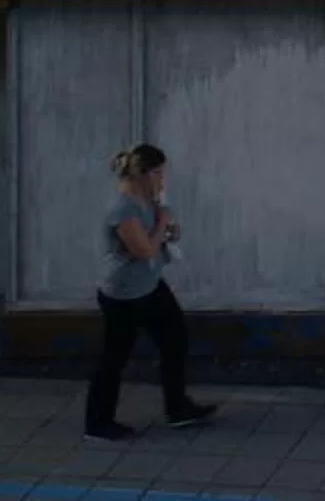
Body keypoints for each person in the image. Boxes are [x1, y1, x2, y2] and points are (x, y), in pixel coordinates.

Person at [85, 144, 215, 441]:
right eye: (157, 173)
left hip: (148, 285)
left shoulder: (147, 198)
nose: (162, 179)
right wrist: (163, 222)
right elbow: (143, 250)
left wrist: (169, 229)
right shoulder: (122, 208)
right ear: (141, 173)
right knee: (114, 356)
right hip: (125, 294)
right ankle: (97, 424)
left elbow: (159, 236)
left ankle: (177, 407)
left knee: (175, 337)